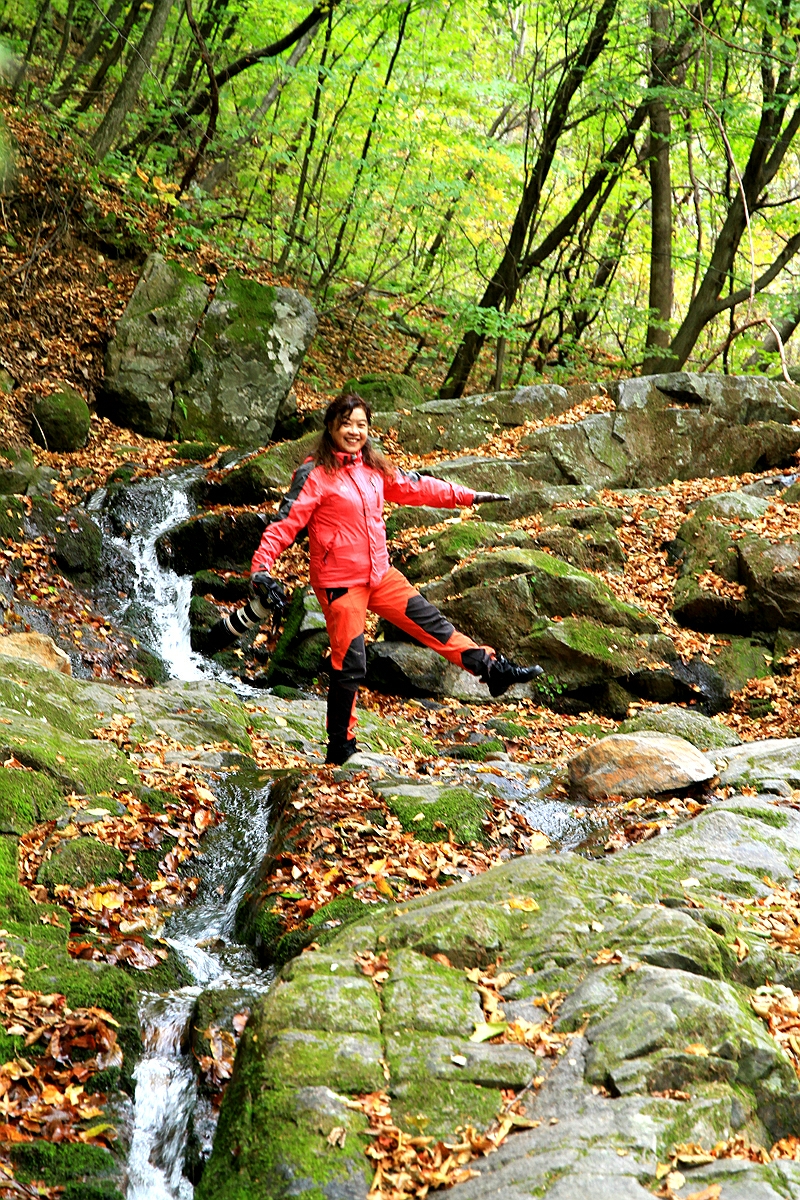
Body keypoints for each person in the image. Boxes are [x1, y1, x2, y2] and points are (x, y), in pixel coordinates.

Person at [250, 394, 543, 765]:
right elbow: (284, 524)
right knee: (350, 663)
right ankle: (341, 746)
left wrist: (468, 497)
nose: (354, 432)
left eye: (361, 425)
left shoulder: (372, 467)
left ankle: (493, 670)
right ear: (330, 427)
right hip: (340, 584)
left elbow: (417, 487)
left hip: (380, 575)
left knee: (432, 625)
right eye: (347, 424)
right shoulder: (315, 474)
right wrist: (260, 569)